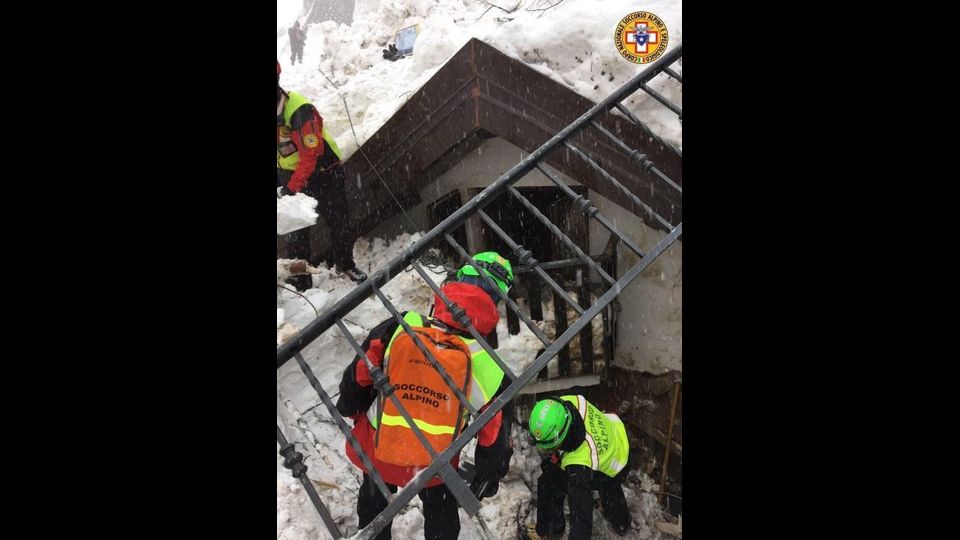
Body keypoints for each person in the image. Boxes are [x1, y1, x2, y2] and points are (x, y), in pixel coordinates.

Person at [335, 254, 516, 540]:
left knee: (373, 505)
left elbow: (358, 375)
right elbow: (494, 439)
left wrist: (349, 407)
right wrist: (487, 478)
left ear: (454, 283)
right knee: (442, 515)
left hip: (380, 447)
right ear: (496, 303)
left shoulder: (401, 325)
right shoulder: (492, 367)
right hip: (434, 466)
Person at [277, 60, 367, 289]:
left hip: (324, 173)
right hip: (291, 176)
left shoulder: (300, 111)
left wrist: (292, 187)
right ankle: (301, 281)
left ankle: (345, 264)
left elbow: (311, 154)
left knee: (338, 222)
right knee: (296, 234)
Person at [526, 394, 633, 539]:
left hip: (614, 466)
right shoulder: (569, 401)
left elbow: (581, 521)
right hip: (617, 435)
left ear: (559, 440)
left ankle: (550, 531)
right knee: (610, 489)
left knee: (549, 481)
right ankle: (621, 521)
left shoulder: (579, 468)